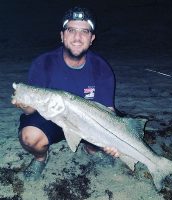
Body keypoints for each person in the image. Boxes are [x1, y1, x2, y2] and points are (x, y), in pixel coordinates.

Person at [12, 6, 119, 181]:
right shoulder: (43, 63)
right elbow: (30, 110)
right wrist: (25, 105)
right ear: (62, 35)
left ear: (92, 39)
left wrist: (112, 142)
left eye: (84, 31)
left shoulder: (102, 68)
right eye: (71, 30)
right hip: (51, 118)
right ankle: (40, 158)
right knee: (30, 138)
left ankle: (91, 149)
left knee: (109, 137)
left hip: (87, 122)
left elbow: (109, 111)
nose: (77, 37)